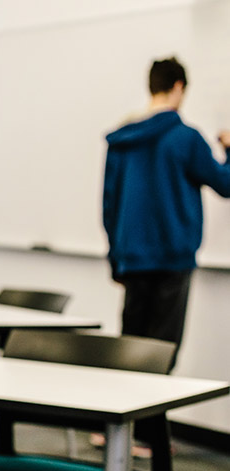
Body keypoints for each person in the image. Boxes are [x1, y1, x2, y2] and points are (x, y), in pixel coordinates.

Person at [103, 56, 230, 369]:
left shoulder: (122, 140)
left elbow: (109, 204)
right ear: (178, 87)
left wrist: (116, 256)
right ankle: (151, 420)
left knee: (130, 353)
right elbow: (225, 184)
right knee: (162, 357)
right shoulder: (185, 138)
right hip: (173, 261)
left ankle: (129, 420)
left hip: (131, 258)